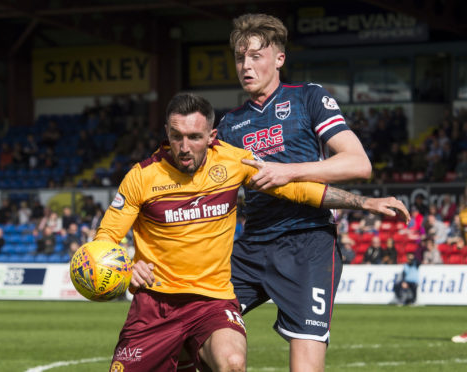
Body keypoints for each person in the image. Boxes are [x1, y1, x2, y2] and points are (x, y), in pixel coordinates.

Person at [96, 93, 409, 372]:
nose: (184, 147)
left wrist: (365, 202)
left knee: (232, 362)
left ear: (211, 136)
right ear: (167, 132)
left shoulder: (234, 161)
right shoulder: (141, 177)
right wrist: (125, 264)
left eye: (194, 137)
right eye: (176, 136)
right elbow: (105, 239)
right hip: (156, 304)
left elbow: (298, 190)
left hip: (213, 301)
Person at [215, 13, 373, 372]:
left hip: (309, 244)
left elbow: (357, 162)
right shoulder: (228, 125)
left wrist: (289, 172)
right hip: (252, 247)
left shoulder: (308, 98)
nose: (246, 66)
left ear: (279, 59)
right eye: (240, 58)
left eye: (256, 56)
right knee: (196, 338)